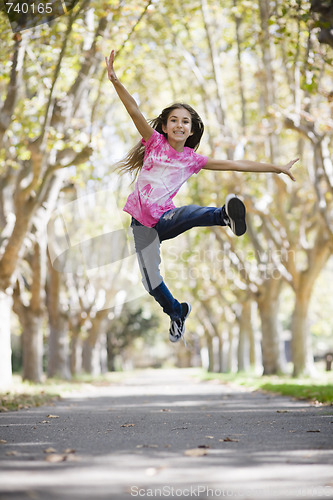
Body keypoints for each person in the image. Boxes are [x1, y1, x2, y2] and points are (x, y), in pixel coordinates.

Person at [105, 49, 298, 344]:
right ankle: (177, 312)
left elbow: (237, 164)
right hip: (141, 226)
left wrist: (277, 168)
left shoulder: (192, 160)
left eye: (185, 122)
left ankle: (223, 216)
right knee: (151, 281)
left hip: (165, 219)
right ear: (166, 126)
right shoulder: (154, 143)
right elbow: (134, 111)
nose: (180, 125)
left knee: (188, 213)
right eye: (174, 120)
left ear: (192, 129)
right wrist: (116, 80)